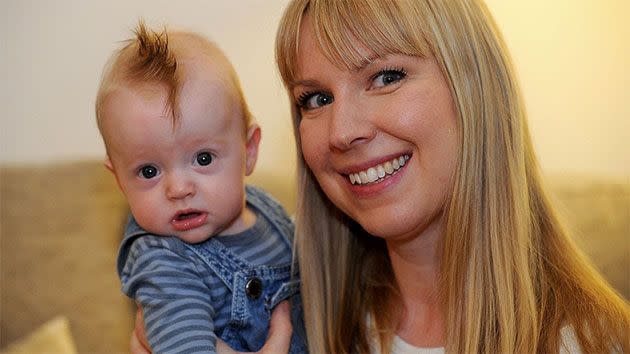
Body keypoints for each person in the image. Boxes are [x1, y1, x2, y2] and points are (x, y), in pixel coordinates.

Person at [133, 0, 630, 353]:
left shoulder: (593, 342)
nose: (342, 132)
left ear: (476, 86)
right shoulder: (290, 318)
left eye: (386, 76)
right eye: (316, 99)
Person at [95, 21, 306, 354]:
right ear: (119, 179)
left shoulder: (269, 211)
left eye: (204, 158)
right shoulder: (162, 260)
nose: (178, 188)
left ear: (248, 151)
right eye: (149, 170)